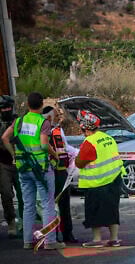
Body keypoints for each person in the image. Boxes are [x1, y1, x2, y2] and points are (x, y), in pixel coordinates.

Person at [1, 92, 64, 250]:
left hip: (23, 168)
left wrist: (14, 154)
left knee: (28, 205)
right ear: (42, 104)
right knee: (47, 204)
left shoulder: (18, 121)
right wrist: (54, 155)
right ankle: (50, 241)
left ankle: (27, 241)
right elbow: (43, 145)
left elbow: (4, 138)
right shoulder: (43, 122)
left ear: (27, 105)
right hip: (41, 167)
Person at [75, 110, 126, 248]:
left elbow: (79, 163)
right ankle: (114, 239)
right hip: (115, 179)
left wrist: (76, 157)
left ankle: (97, 240)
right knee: (112, 210)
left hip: (97, 183)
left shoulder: (89, 142)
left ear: (84, 128)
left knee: (94, 211)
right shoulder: (108, 138)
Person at [43, 106, 79, 243]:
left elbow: (64, 147)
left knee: (64, 203)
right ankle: (53, 235)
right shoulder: (41, 130)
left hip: (61, 171)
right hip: (48, 171)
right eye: (57, 116)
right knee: (50, 206)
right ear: (49, 116)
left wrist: (76, 152)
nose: (59, 118)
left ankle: (67, 233)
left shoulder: (59, 131)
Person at [0, 95, 21, 238]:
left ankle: (25, 221)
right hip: (3, 163)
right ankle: (11, 222)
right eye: (3, 108)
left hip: (19, 163)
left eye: (8, 107)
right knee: (6, 194)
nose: (6, 110)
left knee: (23, 194)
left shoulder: (18, 121)